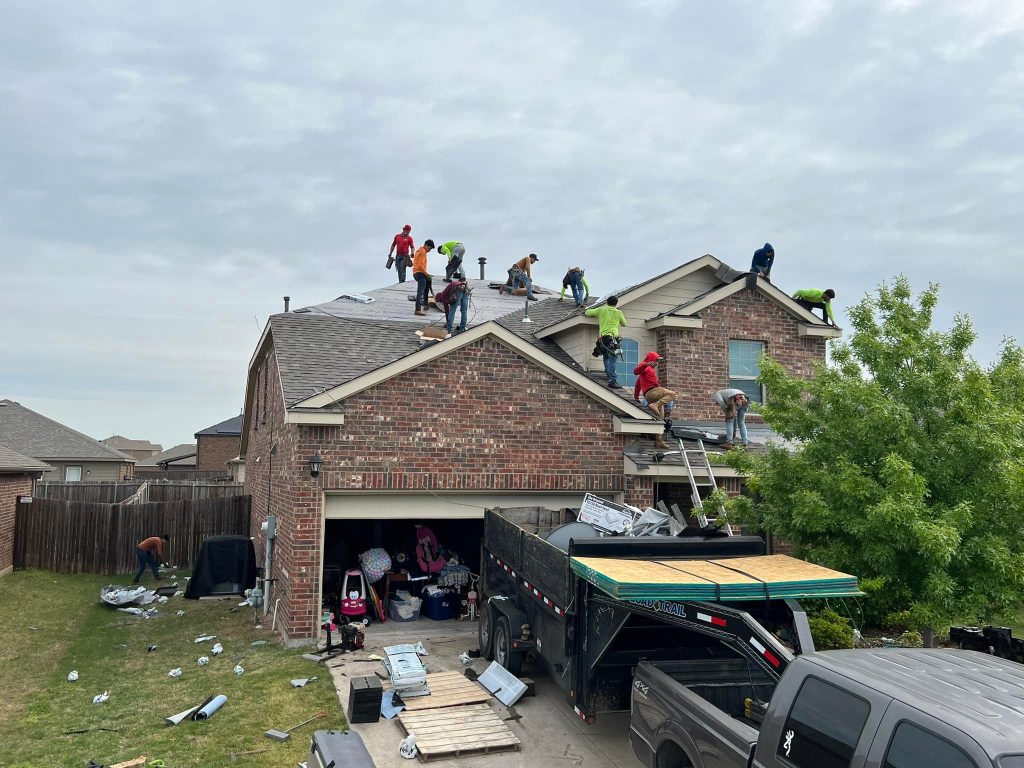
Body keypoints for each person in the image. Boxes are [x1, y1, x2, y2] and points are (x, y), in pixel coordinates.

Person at [633, 351, 677, 449]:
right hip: (652, 392)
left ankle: (658, 441)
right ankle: (656, 405)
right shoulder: (645, 366)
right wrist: (646, 364)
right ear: (651, 359)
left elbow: (637, 385)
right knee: (673, 394)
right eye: (656, 360)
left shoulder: (648, 371)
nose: (657, 363)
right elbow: (635, 371)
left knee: (660, 420)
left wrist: (636, 397)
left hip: (650, 396)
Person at [585, 295, 627, 388]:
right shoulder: (619, 312)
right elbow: (624, 324)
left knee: (606, 356)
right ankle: (612, 380)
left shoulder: (601, 310)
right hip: (613, 339)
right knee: (612, 359)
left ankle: (609, 374)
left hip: (603, 339)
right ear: (616, 304)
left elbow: (587, 313)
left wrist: (587, 308)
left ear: (607, 302)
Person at [413, 240, 435, 316]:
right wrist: (427, 274)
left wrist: (427, 276)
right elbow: (420, 266)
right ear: (425, 245)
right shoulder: (423, 252)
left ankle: (425, 304)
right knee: (420, 291)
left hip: (416, 273)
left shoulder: (418, 250)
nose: (429, 250)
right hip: (420, 273)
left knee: (427, 284)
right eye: (429, 248)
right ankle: (418, 309)